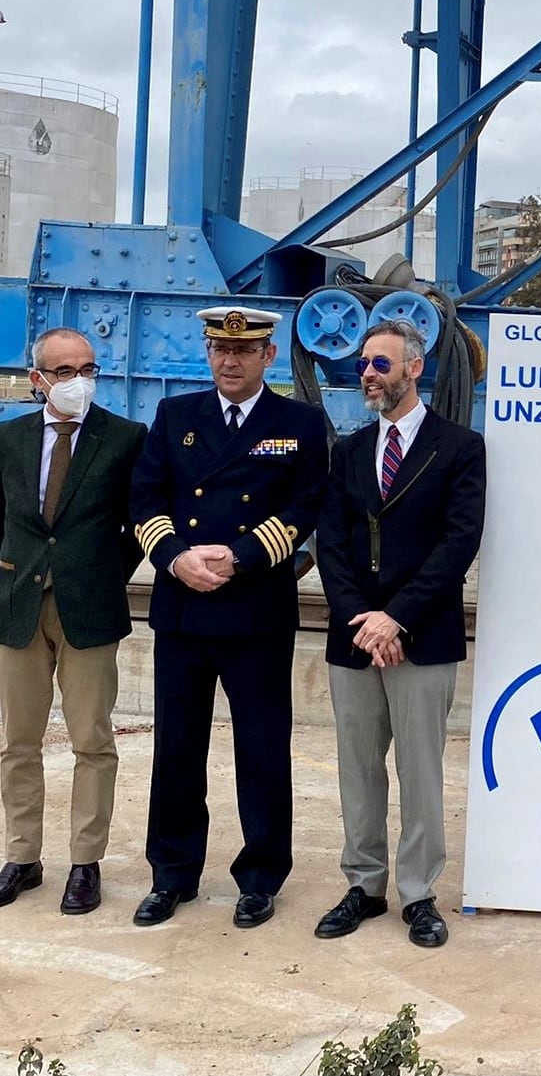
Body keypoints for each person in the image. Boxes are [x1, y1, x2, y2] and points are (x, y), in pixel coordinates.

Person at [128, 305, 330, 929]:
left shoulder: (298, 422)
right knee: (177, 748)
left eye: (243, 351)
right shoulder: (174, 415)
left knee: (263, 750)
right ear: (208, 353)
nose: (230, 360)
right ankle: (172, 873)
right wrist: (174, 557)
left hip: (256, 611)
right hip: (185, 608)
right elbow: (144, 498)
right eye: (219, 349)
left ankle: (262, 875)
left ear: (268, 356)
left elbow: (305, 507)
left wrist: (240, 557)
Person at [312, 319, 486, 951]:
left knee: (420, 770)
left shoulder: (461, 448)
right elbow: (331, 542)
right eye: (363, 364)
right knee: (358, 769)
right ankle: (364, 884)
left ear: (415, 368)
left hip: (421, 635)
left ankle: (418, 893)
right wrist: (363, 618)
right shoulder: (349, 452)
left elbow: (458, 542)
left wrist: (398, 617)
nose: (367, 375)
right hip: (355, 637)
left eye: (380, 365)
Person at [0, 328, 147, 915]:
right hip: (19, 606)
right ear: (38, 379)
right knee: (18, 743)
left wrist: (96, 574)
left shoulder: (123, 438)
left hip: (89, 610)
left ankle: (84, 862)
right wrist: (29, 568)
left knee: (92, 742)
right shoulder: (7, 437)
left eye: (88, 369)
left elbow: (135, 529)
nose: (80, 381)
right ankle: (22, 858)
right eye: (66, 371)